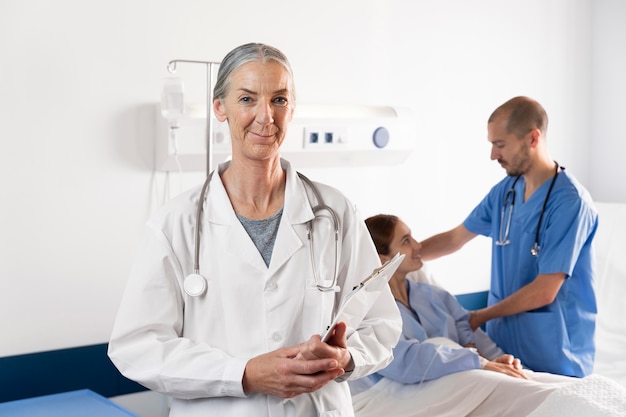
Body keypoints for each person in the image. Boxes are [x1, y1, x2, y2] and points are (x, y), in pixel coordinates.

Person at [107, 43, 401, 417]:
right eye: (247, 99)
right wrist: (243, 373)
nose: (266, 116)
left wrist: (345, 357)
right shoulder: (175, 224)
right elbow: (138, 347)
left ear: (292, 108)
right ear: (220, 108)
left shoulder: (335, 213)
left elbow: (381, 324)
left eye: (279, 99)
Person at [350, 214, 623, 417]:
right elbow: (404, 362)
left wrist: (496, 358)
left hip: (465, 370)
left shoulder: (432, 295)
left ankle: (607, 405)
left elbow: (466, 330)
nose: (419, 245)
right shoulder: (371, 308)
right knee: (525, 392)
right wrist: (478, 362)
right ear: (382, 257)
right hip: (411, 388)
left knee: (535, 379)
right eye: (406, 240)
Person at [420, 96, 598, 377]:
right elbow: (456, 238)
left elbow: (544, 290)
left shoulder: (570, 203)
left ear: (532, 138)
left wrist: (479, 317)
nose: (493, 155)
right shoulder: (506, 192)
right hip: (504, 349)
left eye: (500, 144)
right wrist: (402, 257)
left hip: (554, 352)